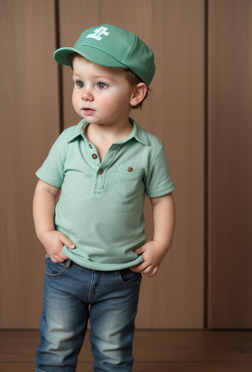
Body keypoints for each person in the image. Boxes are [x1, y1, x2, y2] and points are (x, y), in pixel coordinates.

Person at [33, 24, 175, 372]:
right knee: (55, 346)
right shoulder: (67, 142)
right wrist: (45, 233)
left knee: (113, 354)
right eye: (79, 83)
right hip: (66, 268)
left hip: (120, 274)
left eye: (101, 84)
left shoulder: (149, 150)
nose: (85, 94)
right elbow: (46, 190)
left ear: (136, 93)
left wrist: (160, 243)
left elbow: (162, 200)